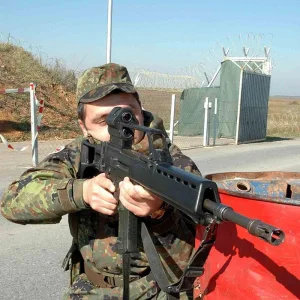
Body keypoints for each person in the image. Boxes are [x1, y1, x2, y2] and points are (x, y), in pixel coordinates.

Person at [1, 63, 202, 299]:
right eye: (104, 120)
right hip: (88, 288)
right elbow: (13, 200)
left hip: (156, 290)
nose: (119, 128)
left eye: (127, 115)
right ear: (83, 126)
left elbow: (198, 254)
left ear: (141, 111)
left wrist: (160, 213)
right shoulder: (78, 153)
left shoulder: (174, 163)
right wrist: (82, 192)